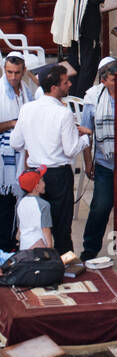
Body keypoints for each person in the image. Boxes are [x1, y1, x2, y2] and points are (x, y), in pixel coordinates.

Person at [9, 64, 91, 254]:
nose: (70, 84)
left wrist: (35, 144)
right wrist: (86, 138)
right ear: (54, 88)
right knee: (61, 227)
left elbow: (16, 142)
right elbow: (71, 150)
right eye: (65, 82)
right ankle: (63, 265)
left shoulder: (27, 109)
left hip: (34, 174)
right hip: (57, 175)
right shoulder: (63, 113)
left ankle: (36, 264)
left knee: (35, 225)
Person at [80, 57, 117, 261]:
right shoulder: (94, 98)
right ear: (104, 81)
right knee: (101, 205)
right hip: (105, 162)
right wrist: (88, 161)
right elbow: (86, 133)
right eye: (114, 80)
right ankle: (90, 247)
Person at [0, 53, 35, 252]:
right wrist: (13, 123)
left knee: (16, 203)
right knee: (5, 203)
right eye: (9, 72)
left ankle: (11, 242)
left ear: (23, 72)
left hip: (22, 155)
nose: (13, 77)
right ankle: (4, 247)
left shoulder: (26, 90)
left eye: (17, 73)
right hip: (4, 158)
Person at [15, 167, 53, 250]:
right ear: (36, 187)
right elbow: (46, 229)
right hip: (39, 247)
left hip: (24, 247)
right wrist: (50, 248)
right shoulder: (44, 205)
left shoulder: (20, 202)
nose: (44, 183)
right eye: (42, 181)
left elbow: (19, 233)